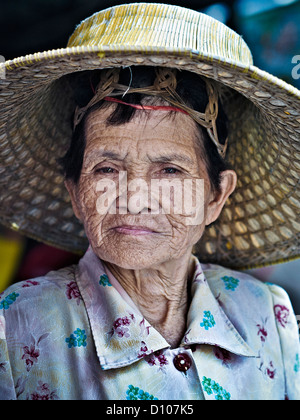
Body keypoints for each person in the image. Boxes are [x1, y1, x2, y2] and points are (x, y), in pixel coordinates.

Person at [0, 3, 299, 400]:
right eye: (106, 169)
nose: (135, 197)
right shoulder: (13, 328)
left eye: (170, 171)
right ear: (74, 191)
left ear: (216, 195)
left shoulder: (270, 315)